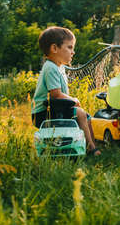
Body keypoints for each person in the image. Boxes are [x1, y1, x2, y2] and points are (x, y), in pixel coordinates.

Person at [31, 26, 101, 156]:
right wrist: (74, 100)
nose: (73, 52)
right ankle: (91, 147)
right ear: (54, 49)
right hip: (43, 113)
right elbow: (56, 94)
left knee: (86, 116)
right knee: (80, 113)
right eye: (69, 47)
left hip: (55, 108)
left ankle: (92, 142)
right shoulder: (50, 68)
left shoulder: (59, 67)